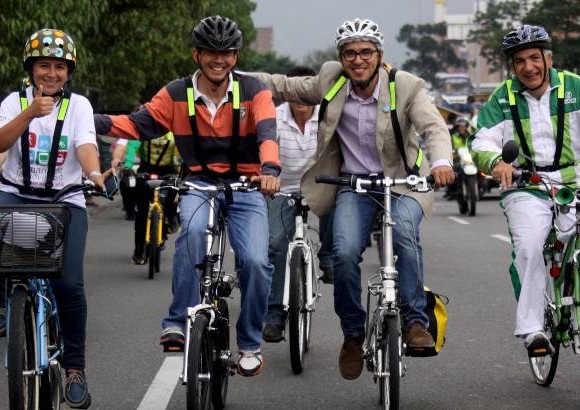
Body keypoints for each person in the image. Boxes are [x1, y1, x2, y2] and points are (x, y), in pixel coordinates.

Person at [253, 18, 454, 380]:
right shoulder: (332, 80)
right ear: (341, 57)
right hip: (354, 185)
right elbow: (284, 86)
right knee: (343, 252)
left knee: (405, 235)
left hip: (402, 183)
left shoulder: (405, 86)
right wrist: (233, 74)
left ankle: (414, 322)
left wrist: (441, 161)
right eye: (350, 53)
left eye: (365, 52)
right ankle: (352, 334)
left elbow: (433, 127)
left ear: (379, 55)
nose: (357, 60)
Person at [93, 15, 281, 377]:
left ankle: (250, 343)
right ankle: (177, 321)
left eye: (226, 53)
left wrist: (270, 170)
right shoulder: (176, 93)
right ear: (196, 54)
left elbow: (267, 132)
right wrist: (88, 118)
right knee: (191, 236)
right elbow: (136, 125)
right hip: (198, 184)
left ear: (236, 57)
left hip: (247, 186)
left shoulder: (254, 90)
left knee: (256, 261)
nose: (218, 60)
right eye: (210, 52)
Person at [0, 28, 106, 408]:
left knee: (68, 285)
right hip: (15, 194)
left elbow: (86, 146)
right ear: (31, 69)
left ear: (69, 71)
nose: (51, 73)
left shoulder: (78, 107)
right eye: (43, 65)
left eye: (59, 67)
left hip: (65, 200)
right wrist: (30, 113)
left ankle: (74, 367)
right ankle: (5, 305)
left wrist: (94, 175)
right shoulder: (13, 102)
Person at [470, 24, 580, 357]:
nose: (528, 67)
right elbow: (482, 141)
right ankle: (533, 329)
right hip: (526, 186)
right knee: (530, 246)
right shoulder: (502, 96)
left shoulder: (574, 87)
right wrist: (496, 163)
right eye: (520, 61)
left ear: (549, 58)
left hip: (574, 183)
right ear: (512, 66)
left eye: (535, 58)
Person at [262, 66, 335, 343]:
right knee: (276, 245)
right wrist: (266, 177)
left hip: (319, 186)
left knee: (338, 197)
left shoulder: (328, 117)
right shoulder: (275, 118)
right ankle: (275, 314)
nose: (302, 97)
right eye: (296, 89)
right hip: (282, 189)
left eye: (308, 89)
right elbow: (265, 151)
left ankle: (328, 258)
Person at [112, 132, 180, 264]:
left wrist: (183, 168)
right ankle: (138, 251)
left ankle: (171, 216)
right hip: (146, 169)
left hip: (168, 171)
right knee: (142, 213)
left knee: (174, 191)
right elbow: (131, 147)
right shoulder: (146, 129)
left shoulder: (173, 132)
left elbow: (181, 152)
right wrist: (128, 165)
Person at [111, 137, 141, 220]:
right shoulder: (127, 136)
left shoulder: (154, 134)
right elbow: (119, 148)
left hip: (149, 167)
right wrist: (117, 159)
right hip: (130, 168)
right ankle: (129, 210)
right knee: (125, 182)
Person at [445, 116, 472, 199]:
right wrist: (452, 152)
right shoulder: (453, 137)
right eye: (460, 126)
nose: (462, 128)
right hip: (458, 159)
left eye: (464, 126)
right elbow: (449, 148)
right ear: (457, 127)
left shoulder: (471, 136)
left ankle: (483, 185)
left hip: (470, 159)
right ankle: (453, 191)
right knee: (454, 171)